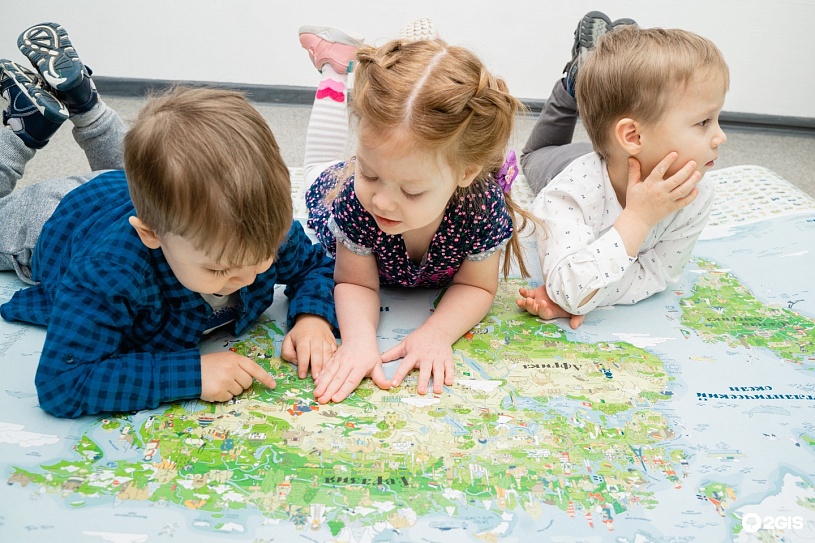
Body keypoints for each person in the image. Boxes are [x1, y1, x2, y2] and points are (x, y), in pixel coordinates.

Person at [0, 22, 338, 418]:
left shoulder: (261, 228)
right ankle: (23, 130)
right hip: (55, 219)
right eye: (219, 269)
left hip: (133, 192)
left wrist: (313, 316)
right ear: (151, 234)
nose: (248, 276)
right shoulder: (109, 272)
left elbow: (316, 265)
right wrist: (191, 374)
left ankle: (84, 103)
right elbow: (63, 383)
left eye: (263, 258)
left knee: (146, 169)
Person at [297, 23, 538, 404]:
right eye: (370, 173)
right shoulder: (355, 199)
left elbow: (477, 287)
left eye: (411, 191)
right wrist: (359, 342)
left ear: (465, 174)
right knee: (315, 168)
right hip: (329, 187)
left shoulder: (481, 206)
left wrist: (436, 333)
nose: (382, 202)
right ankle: (334, 70)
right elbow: (356, 283)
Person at [516, 12, 729, 328]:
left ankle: (610, 63)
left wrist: (593, 293)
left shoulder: (695, 192)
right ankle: (574, 80)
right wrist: (638, 218)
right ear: (634, 136)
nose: (721, 136)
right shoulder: (565, 194)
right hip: (561, 164)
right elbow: (569, 289)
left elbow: (657, 275)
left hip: (616, 155)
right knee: (534, 155)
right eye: (703, 122)